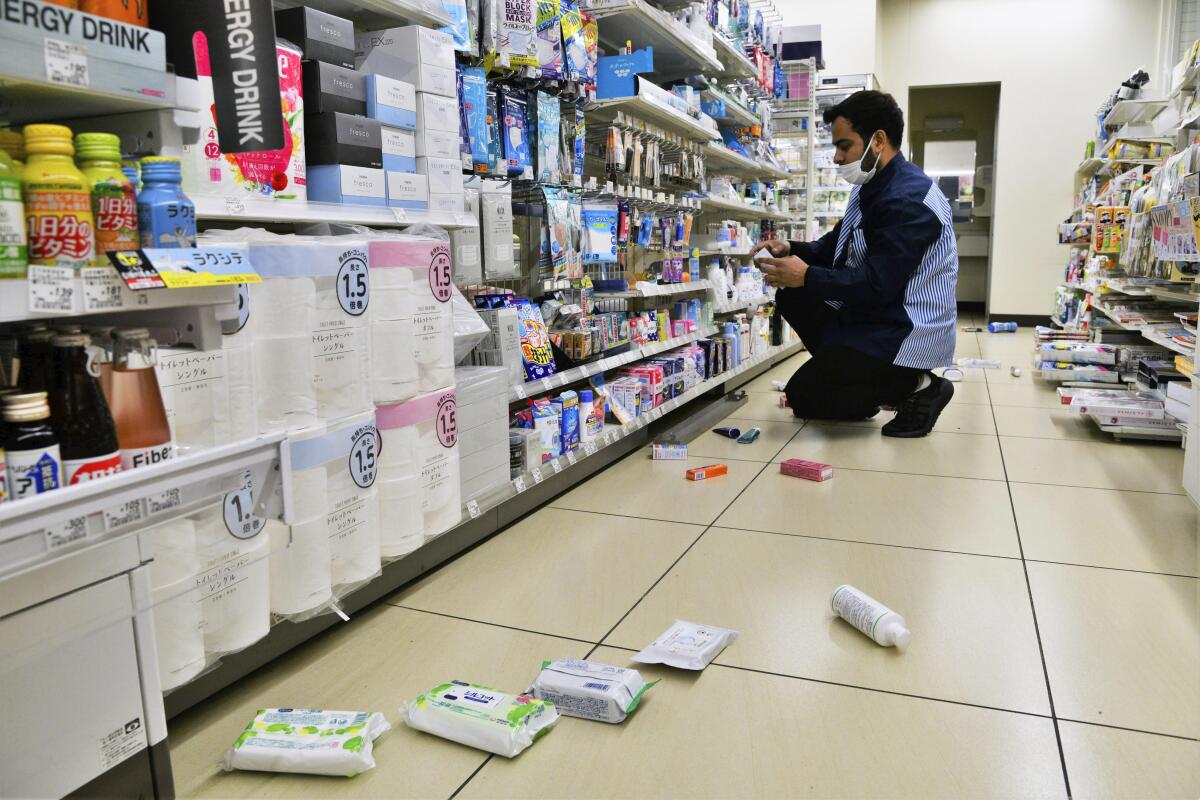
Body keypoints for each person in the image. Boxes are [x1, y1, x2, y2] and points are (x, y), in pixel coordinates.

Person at [752, 90, 958, 438]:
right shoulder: (873, 185)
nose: (836, 157)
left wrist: (807, 276)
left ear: (878, 141)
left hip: (904, 327)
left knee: (807, 395)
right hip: (877, 315)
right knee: (793, 301)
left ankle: (918, 384)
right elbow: (837, 246)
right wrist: (792, 248)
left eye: (844, 146)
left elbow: (879, 285)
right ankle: (859, 377)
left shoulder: (909, 200)